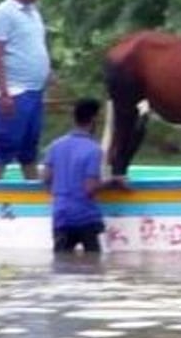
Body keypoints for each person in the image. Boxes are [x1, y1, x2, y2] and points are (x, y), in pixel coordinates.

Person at [0, 0, 51, 180]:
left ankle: (31, 191)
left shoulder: (33, 12)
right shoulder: (3, 13)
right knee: (4, 144)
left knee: (29, 146)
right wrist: (4, 93)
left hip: (35, 90)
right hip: (14, 91)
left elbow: (33, 46)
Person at [42, 98, 126, 253]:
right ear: (93, 120)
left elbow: (46, 178)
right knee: (93, 267)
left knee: (61, 265)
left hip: (61, 216)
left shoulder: (55, 145)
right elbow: (90, 188)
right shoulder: (93, 150)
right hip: (85, 217)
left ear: (74, 118)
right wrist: (113, 182)